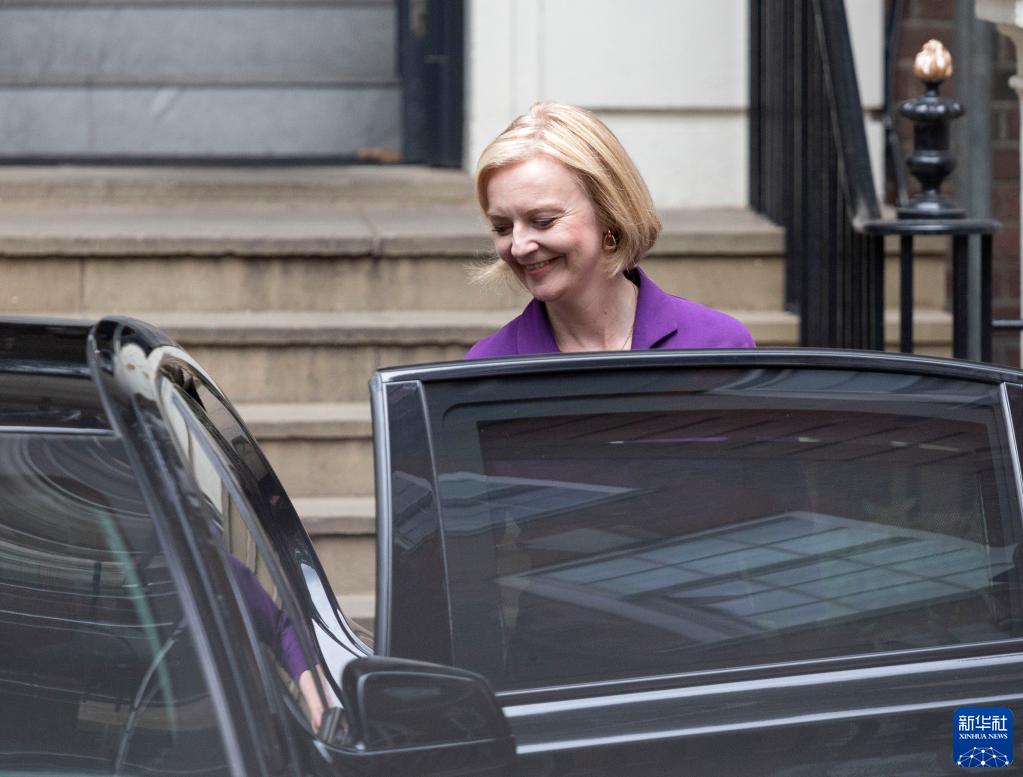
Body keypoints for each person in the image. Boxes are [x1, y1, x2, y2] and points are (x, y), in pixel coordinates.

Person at [466, 103, 754, 358]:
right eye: (502, 227)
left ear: (609, 214)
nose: (518, 246)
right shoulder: (490, 366)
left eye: (543, 221)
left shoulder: (717, 344)